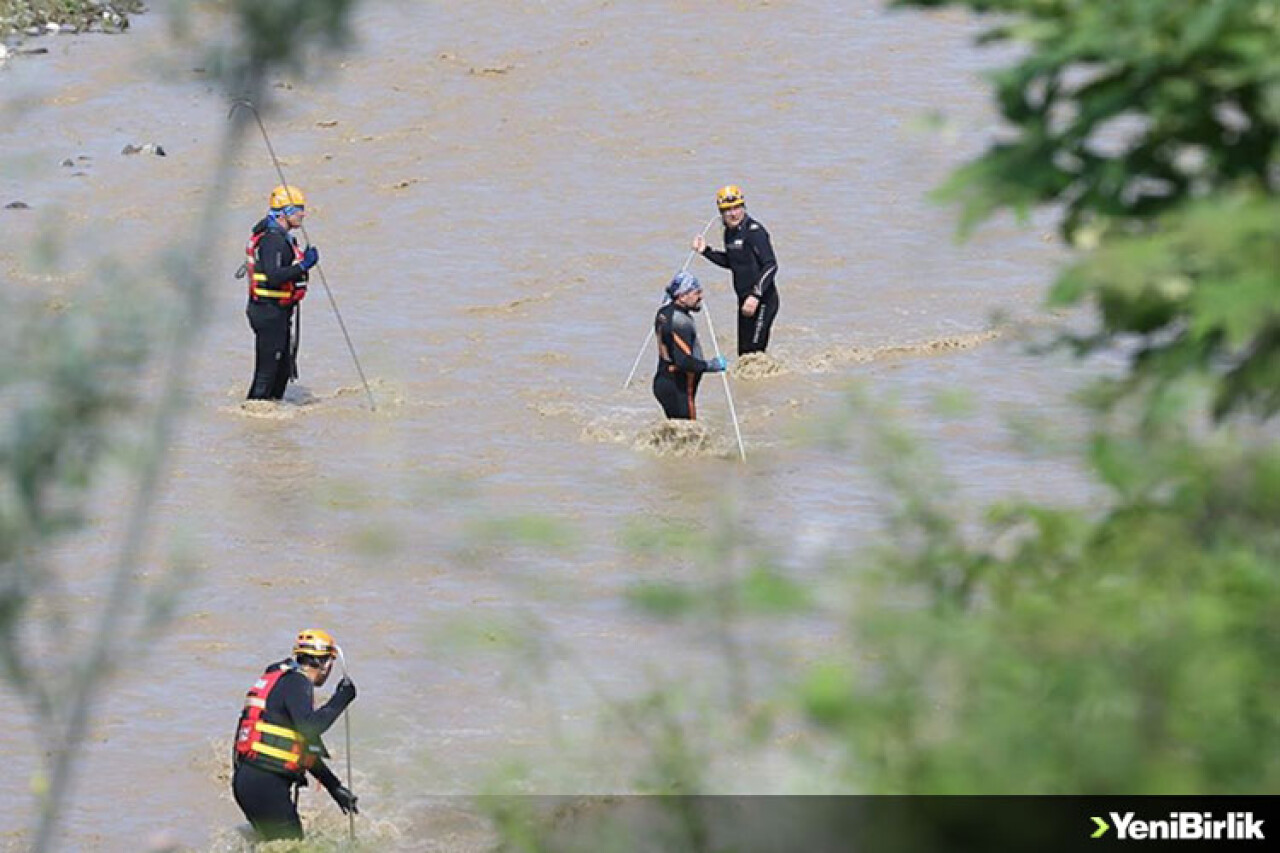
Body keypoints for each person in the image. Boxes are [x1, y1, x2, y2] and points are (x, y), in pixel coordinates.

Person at [232, 628, 358, 842]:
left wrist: (334, 787)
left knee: (277, 844)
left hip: (248, 781)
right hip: (266, 783)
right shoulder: (297, 683)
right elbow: (309, 728)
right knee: (293, 847)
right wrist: (341, 699)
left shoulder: (281, 681)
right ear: (326, 663)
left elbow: (299, 746)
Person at [244, 184, 319, 400]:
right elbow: (274, 275)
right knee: (267, 372)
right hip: (267, 312)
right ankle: (255, 412)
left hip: (279, 311)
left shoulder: (282, 237)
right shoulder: (272, 240)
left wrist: (300, 263)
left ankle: (272, 419)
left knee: (283, 369)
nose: (303, 213)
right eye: (298, 209)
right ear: (284, 213)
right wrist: (304, 266)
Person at [692, 184, 780, 355]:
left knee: (755, 354)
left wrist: (755, 296)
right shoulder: (729, 233)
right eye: (727, 210)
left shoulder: (754, 231)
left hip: (763, 301)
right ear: (721, 212)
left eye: (737, 208)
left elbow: (771, 265)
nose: (733, 214)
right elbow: (733, 262)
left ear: (743, 207)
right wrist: (705, 251)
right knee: (743, 354)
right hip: (743, 300)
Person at [652, 271, 727, 420]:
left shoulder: (664, 312)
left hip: (664, 381)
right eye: (696, 292)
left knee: (677, 434)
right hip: (678, 387)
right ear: (682, 296)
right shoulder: (680, 322)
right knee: (690, 435)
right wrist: (711, 365)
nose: (701, 297)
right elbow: (684, 362)